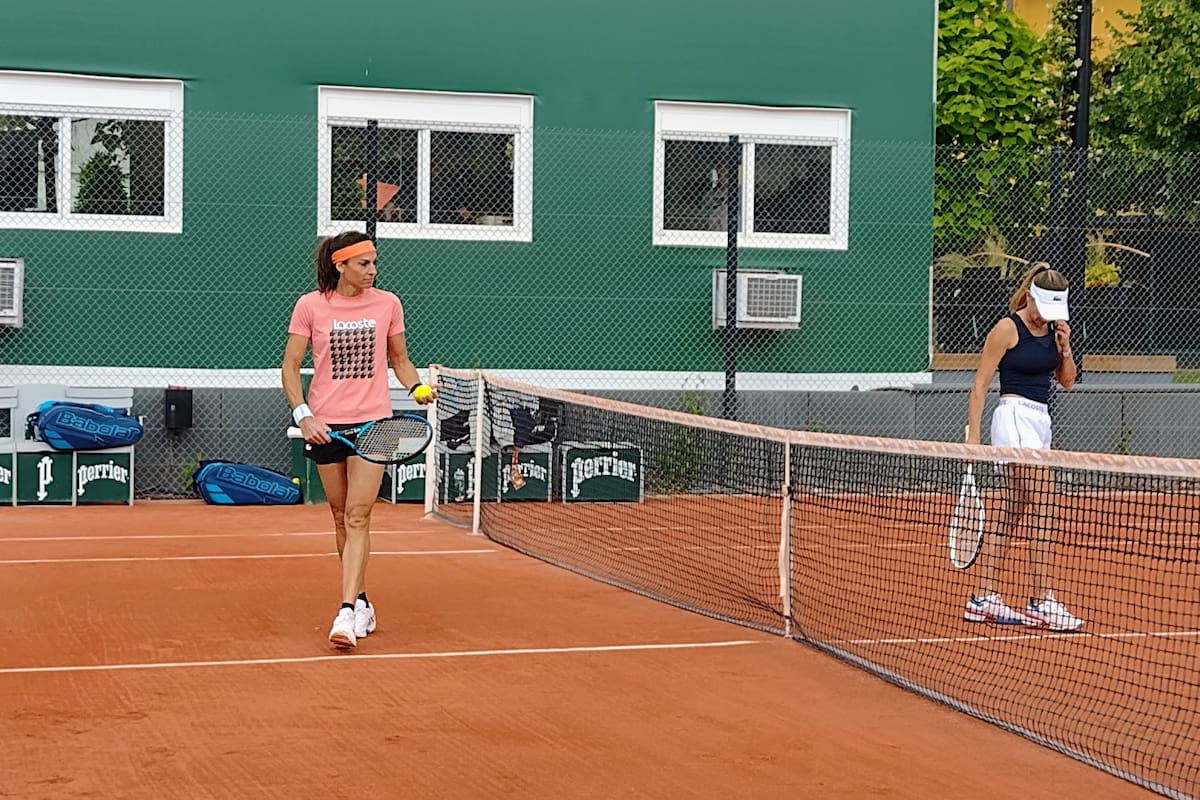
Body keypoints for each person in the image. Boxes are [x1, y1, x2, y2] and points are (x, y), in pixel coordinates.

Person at [281, 231, 437, 648]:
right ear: (341, 265)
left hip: (374, 427)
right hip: (325, 426)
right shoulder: (310, 306)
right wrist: (304, 415)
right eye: (364, 263)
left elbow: (400, 360)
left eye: (374, 263)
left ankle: (346, 611)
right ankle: (363, 600)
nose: (373, 270)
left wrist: (418, 387)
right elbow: (291, 367)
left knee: (357, 516)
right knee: (338, 515)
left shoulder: (388, 304)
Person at [963, 262, 1085, 632]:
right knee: (1045, 503)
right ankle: (1041, 601)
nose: (1049, 317)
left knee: (1013, 510)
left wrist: (1064, 348)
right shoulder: (1006, 328)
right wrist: (973, 436)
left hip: (1040, 421)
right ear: (1031, 296)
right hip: (1013, 417)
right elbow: (980, 384)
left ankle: (982, 597)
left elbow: (1066, 382)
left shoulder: (1054, 330)